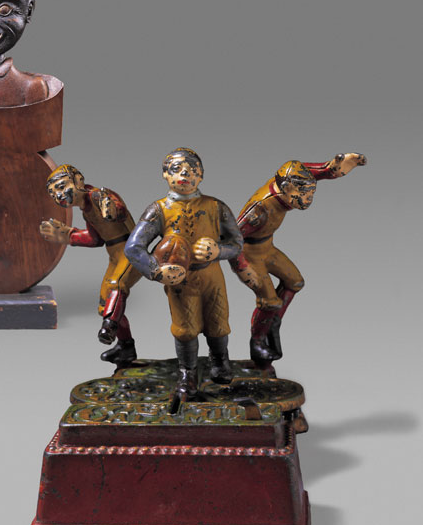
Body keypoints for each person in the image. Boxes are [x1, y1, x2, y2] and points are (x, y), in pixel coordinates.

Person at [125, 148, 243, 403]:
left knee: (219, 321)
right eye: (176, 169)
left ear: (201, 176)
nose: (185, 174)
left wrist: (218, 250)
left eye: (192, 170)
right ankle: (187, 373)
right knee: (185, 327)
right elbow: (133, 247)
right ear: (165, 174)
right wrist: (156, 270)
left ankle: (220, 362)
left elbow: (237, 243)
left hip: (212, 275)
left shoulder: (216, 207)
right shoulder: (159, 210)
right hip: (181, 280)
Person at [231, 153, 367, 364]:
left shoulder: (291, 180)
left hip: (267, 247)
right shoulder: (259, 209)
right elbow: (232, 240)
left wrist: (336, 168)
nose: (308, 198)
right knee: (269, 301)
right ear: (286, 188)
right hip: (250, 254)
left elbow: (320, 171)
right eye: (303, 193)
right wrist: (243, 268)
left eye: (311, 192)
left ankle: (273, 322)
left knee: (295, 282)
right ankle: (257, 343)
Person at [40, 165, 141, 366]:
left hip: (131, 250)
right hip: (115, 255)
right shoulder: (86, 211)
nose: (59, 195)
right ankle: (126, 347)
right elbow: (96, 239)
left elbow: (119, 211)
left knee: (117, 286)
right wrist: (69, 236)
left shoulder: (99, 196)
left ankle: (109, 327)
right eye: (53, 194)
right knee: (105, 305)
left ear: (78, 180)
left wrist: (111, 209)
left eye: (61, 186)